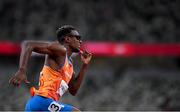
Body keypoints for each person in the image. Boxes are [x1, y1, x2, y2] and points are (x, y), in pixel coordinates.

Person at [9, 25, 92, 111]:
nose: (80, 41)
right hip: (42, 101)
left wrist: (85, 65)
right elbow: (28, 45)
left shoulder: (70, 64)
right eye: (77, 37)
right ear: (67, 39)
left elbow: (73, 90)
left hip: (41, 104)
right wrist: (22, 70)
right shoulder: (60, 50)